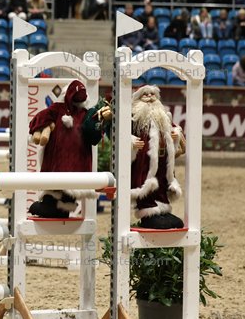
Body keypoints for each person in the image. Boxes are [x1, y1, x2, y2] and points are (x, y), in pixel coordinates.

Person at [28, 80, 111, 218]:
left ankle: (59, 207)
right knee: (54, 189)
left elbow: (93, 136)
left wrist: (100, 120)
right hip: (58, 160)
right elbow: (39, 118)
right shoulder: (57, 109)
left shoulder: (86, 114)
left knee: (68, 191)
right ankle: (53, 206)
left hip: (76, 161)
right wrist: (43, 127)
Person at [130, 85, 186, 230]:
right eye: (145, 94)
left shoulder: (163, 115)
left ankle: (163, 209)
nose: (150, 97)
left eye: (152, 94)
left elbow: (174, 128)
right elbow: (122, 134)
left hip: (163, 158)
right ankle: (148, 214)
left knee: (162, 182)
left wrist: (175, 133)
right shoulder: (134, 117)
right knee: (146, 183)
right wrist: (131, 141)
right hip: (144, 160)